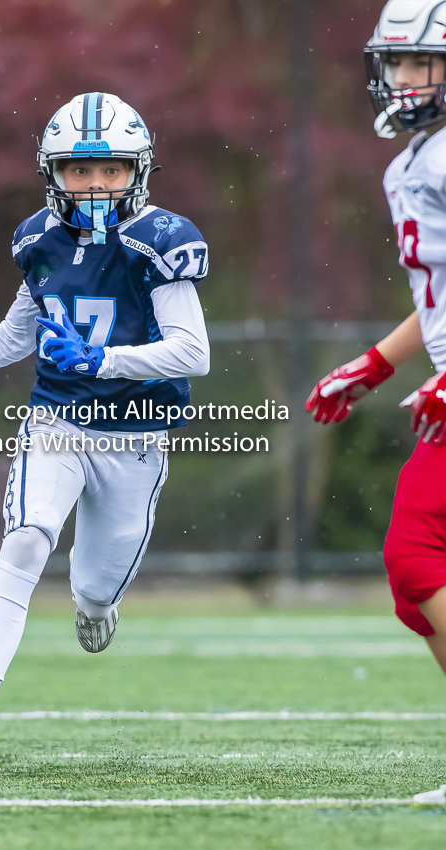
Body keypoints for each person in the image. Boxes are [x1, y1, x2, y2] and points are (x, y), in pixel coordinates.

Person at [0, 92, 210, 773]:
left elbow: (192, 352)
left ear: (137, 171)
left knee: (94, 586)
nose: (93, 185)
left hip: (135, 437)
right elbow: (15, 335)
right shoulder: (40, 240)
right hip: (55, 423)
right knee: (26, 542)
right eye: (78, 171)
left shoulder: (161, 240)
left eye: (110, 170)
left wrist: (104, 360)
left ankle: (94, 603)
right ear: (51, 172)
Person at [305, 0, 446, 803]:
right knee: (415, 565)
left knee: (416, 557)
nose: (400, 78)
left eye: (419, 61)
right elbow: (438, 302)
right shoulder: (409, 165)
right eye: (393, 63)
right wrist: (375, 365)